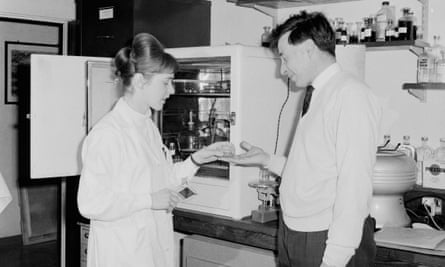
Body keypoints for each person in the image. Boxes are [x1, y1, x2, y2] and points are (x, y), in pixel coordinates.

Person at [221, 11, 382, 267]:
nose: (282, 69)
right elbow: (315, 169)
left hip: (326, 239)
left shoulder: (350, 95)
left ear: (308, 49)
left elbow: (354, 187)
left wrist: (334, 260)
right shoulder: (318, 93)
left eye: (284, 58)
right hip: (295, 231)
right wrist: (267, 159)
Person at [77, 33, 234, 267]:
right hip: (122, 253)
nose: (171, 90)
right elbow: (90, 203)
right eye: (166, 82)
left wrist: (196, 160)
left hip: (150, 247)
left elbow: (160, 180)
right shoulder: (108, 134)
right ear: (140, 81)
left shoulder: (147, 126)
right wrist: (148, 200)